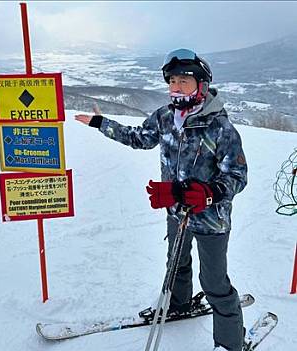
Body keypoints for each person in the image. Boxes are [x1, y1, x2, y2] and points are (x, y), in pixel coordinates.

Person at [75, 48, 247, 351]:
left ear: (201, 85)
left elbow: (237, 175)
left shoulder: (220, 127)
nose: (176, 87)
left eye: (184, 80)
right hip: (176, 211)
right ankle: (178, 304)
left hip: (211, 219)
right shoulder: (166, 117)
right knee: (175, 265)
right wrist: (100, 123)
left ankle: (231, 343)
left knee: (215, 283)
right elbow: (140, 138)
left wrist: (209, 194)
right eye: (172, 81)